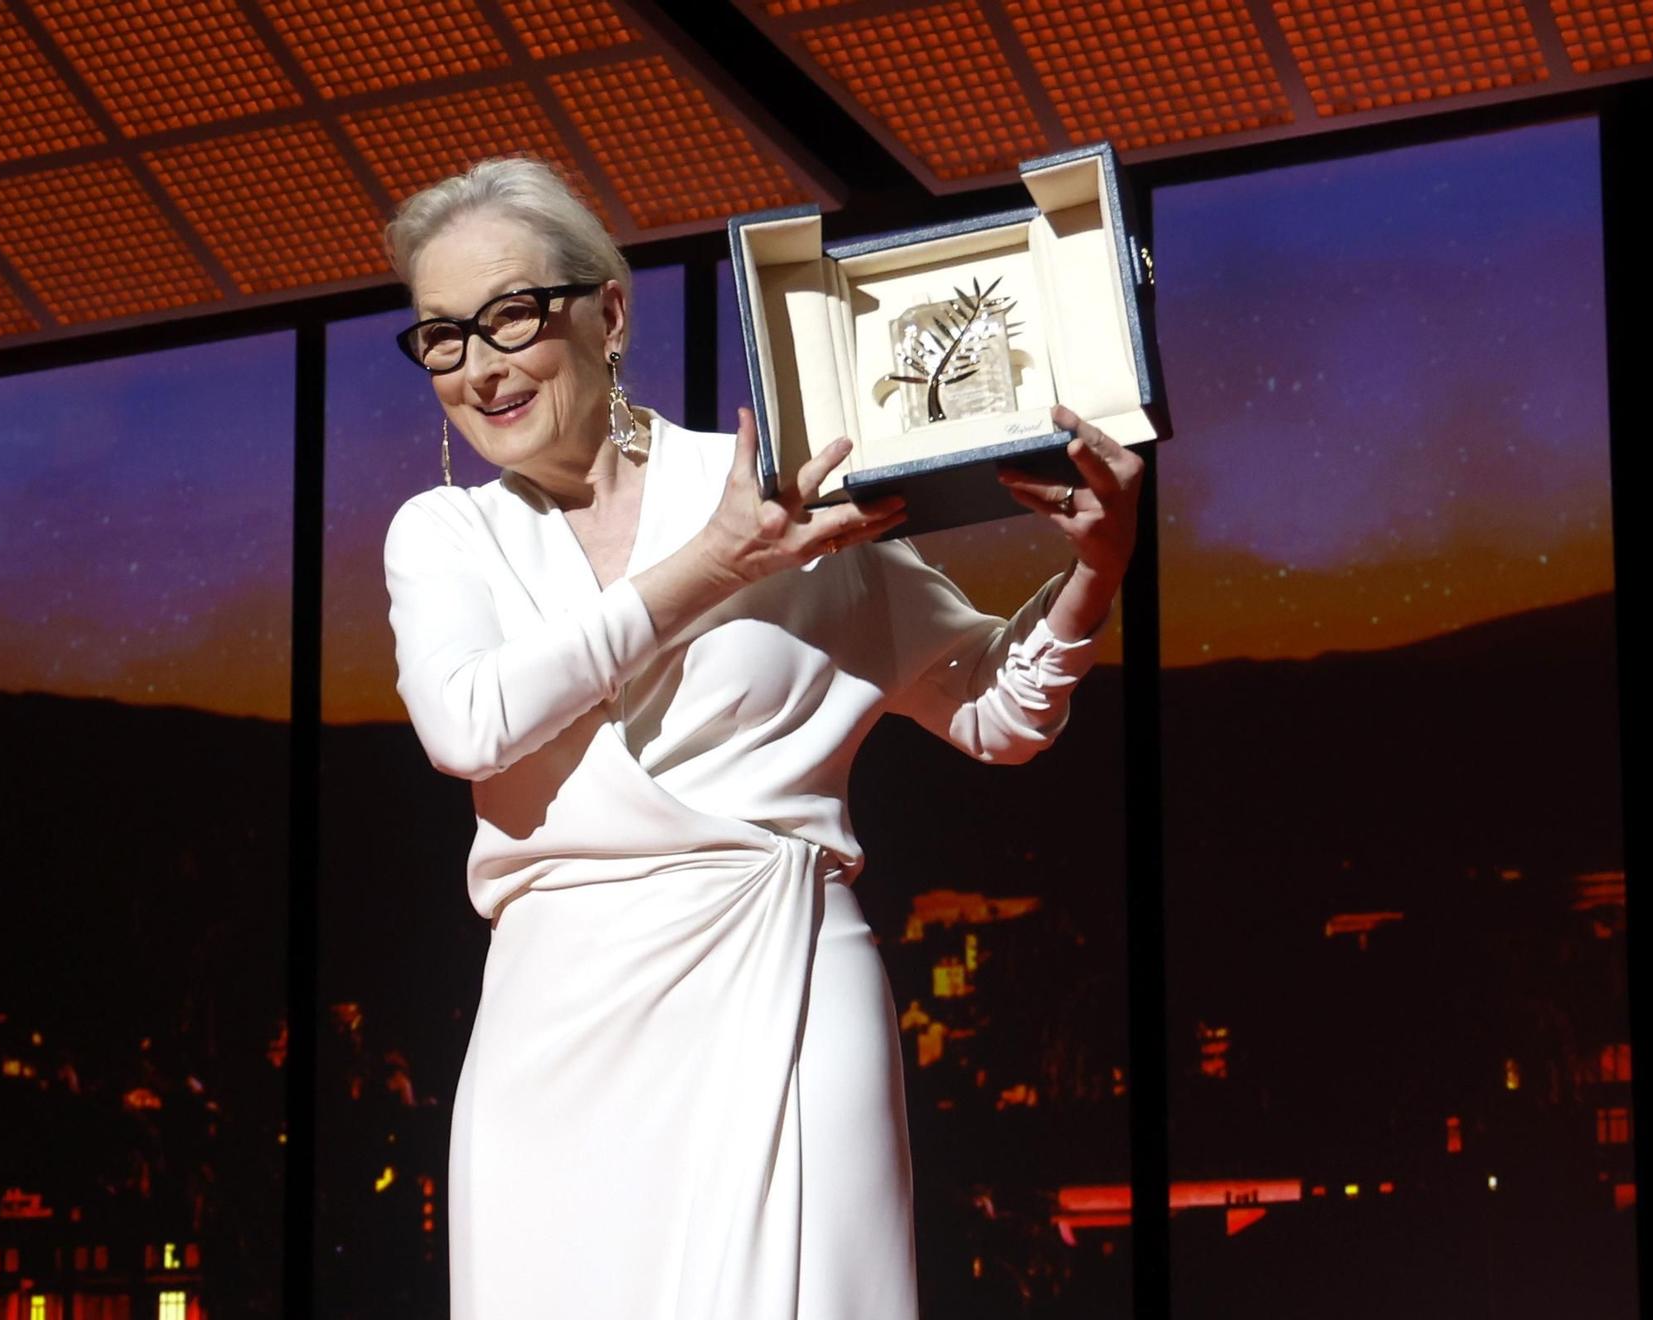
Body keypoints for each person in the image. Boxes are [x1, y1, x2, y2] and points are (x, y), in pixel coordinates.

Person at [379, 155, 1143, 1320]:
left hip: (781, 981)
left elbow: (993, 712)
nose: (478, 367)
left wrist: (1095, 571)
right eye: (441, 337)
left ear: (608, 312)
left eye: (510, 316)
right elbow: (468, 724)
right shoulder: (444, 534)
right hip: (556, 1028)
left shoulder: (787, 496)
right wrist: (715, 568)